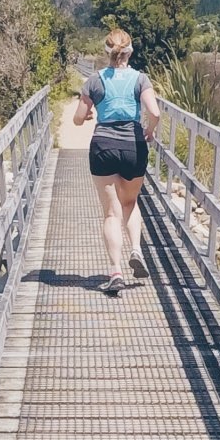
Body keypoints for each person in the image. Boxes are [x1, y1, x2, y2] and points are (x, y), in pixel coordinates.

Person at [73, 29, 161, 296]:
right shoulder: (140, 79)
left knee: (111, 213)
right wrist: (149, 129)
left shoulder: (94, 80)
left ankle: (115, 272)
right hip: (134, 145)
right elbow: (155, 111)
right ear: (130, 52)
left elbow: (78, 118)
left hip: (103, 146)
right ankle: (136, 249)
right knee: (130, 203)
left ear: (106, 53)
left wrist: (87, 117)